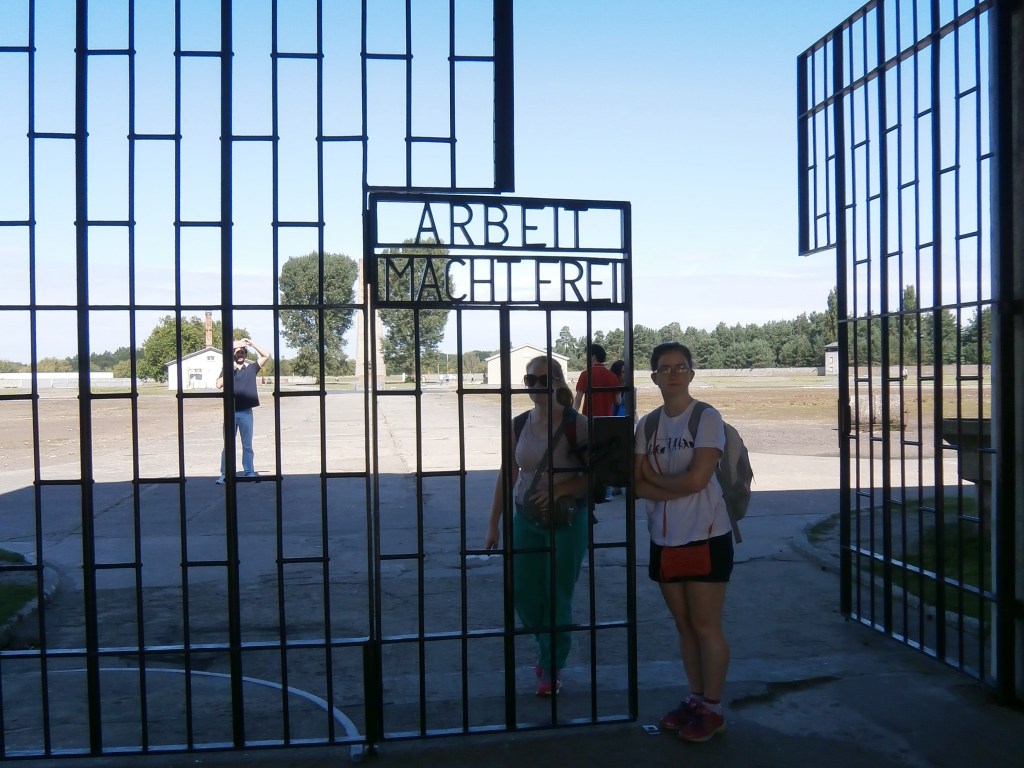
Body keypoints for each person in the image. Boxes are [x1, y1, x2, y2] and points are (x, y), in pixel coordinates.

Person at [633, 341, 732, 743]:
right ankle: (695, 699)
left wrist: (656, 482)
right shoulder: (648, 425)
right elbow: (635, 486)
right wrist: (665, 485)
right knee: (684, 624)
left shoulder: (706, 418)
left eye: (680, 367)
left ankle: (713, 708)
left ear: (691, 373)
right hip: (664, 538)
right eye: (665, 368)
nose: (673, 374)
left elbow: (697, 480)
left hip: (706, 538)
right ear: (654, 376)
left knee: (707, 625)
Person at [485, 355, 589, 696]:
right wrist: (494, 523)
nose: (535, 387)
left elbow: (597, 475)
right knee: (523, 593)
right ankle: (547, 645)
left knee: (558, 595)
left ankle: (551, 666)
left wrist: (560, 489)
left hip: (566, 521)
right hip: (525, 518)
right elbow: (508, 473)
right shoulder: (518, 425)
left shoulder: (578, 424)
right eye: (530, 381)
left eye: (543, 379)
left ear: (558, 380)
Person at [216, 337, 270, 484]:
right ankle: (224, 474)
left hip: (246, 412)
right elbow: (218, 385)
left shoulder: (252, 368)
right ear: (233, 354)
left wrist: (252, 344)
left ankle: (249, 472)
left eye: (243, 353)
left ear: (246, 355)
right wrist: (229, 370)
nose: (240, 355)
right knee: (227, 446)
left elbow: (266, 355)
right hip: (230, 413)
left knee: (247, 445)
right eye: (238, 352)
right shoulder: (228, 369)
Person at [574, 344, 620, 502]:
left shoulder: (586, 374)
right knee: (605, 458)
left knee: (586, 457)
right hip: (606, 422)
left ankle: (586, 491)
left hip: (588, 421)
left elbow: (578, 400)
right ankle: (605, 492)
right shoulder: (612, 376)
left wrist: (573, 417)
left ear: (593, 356)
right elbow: (618, 400)